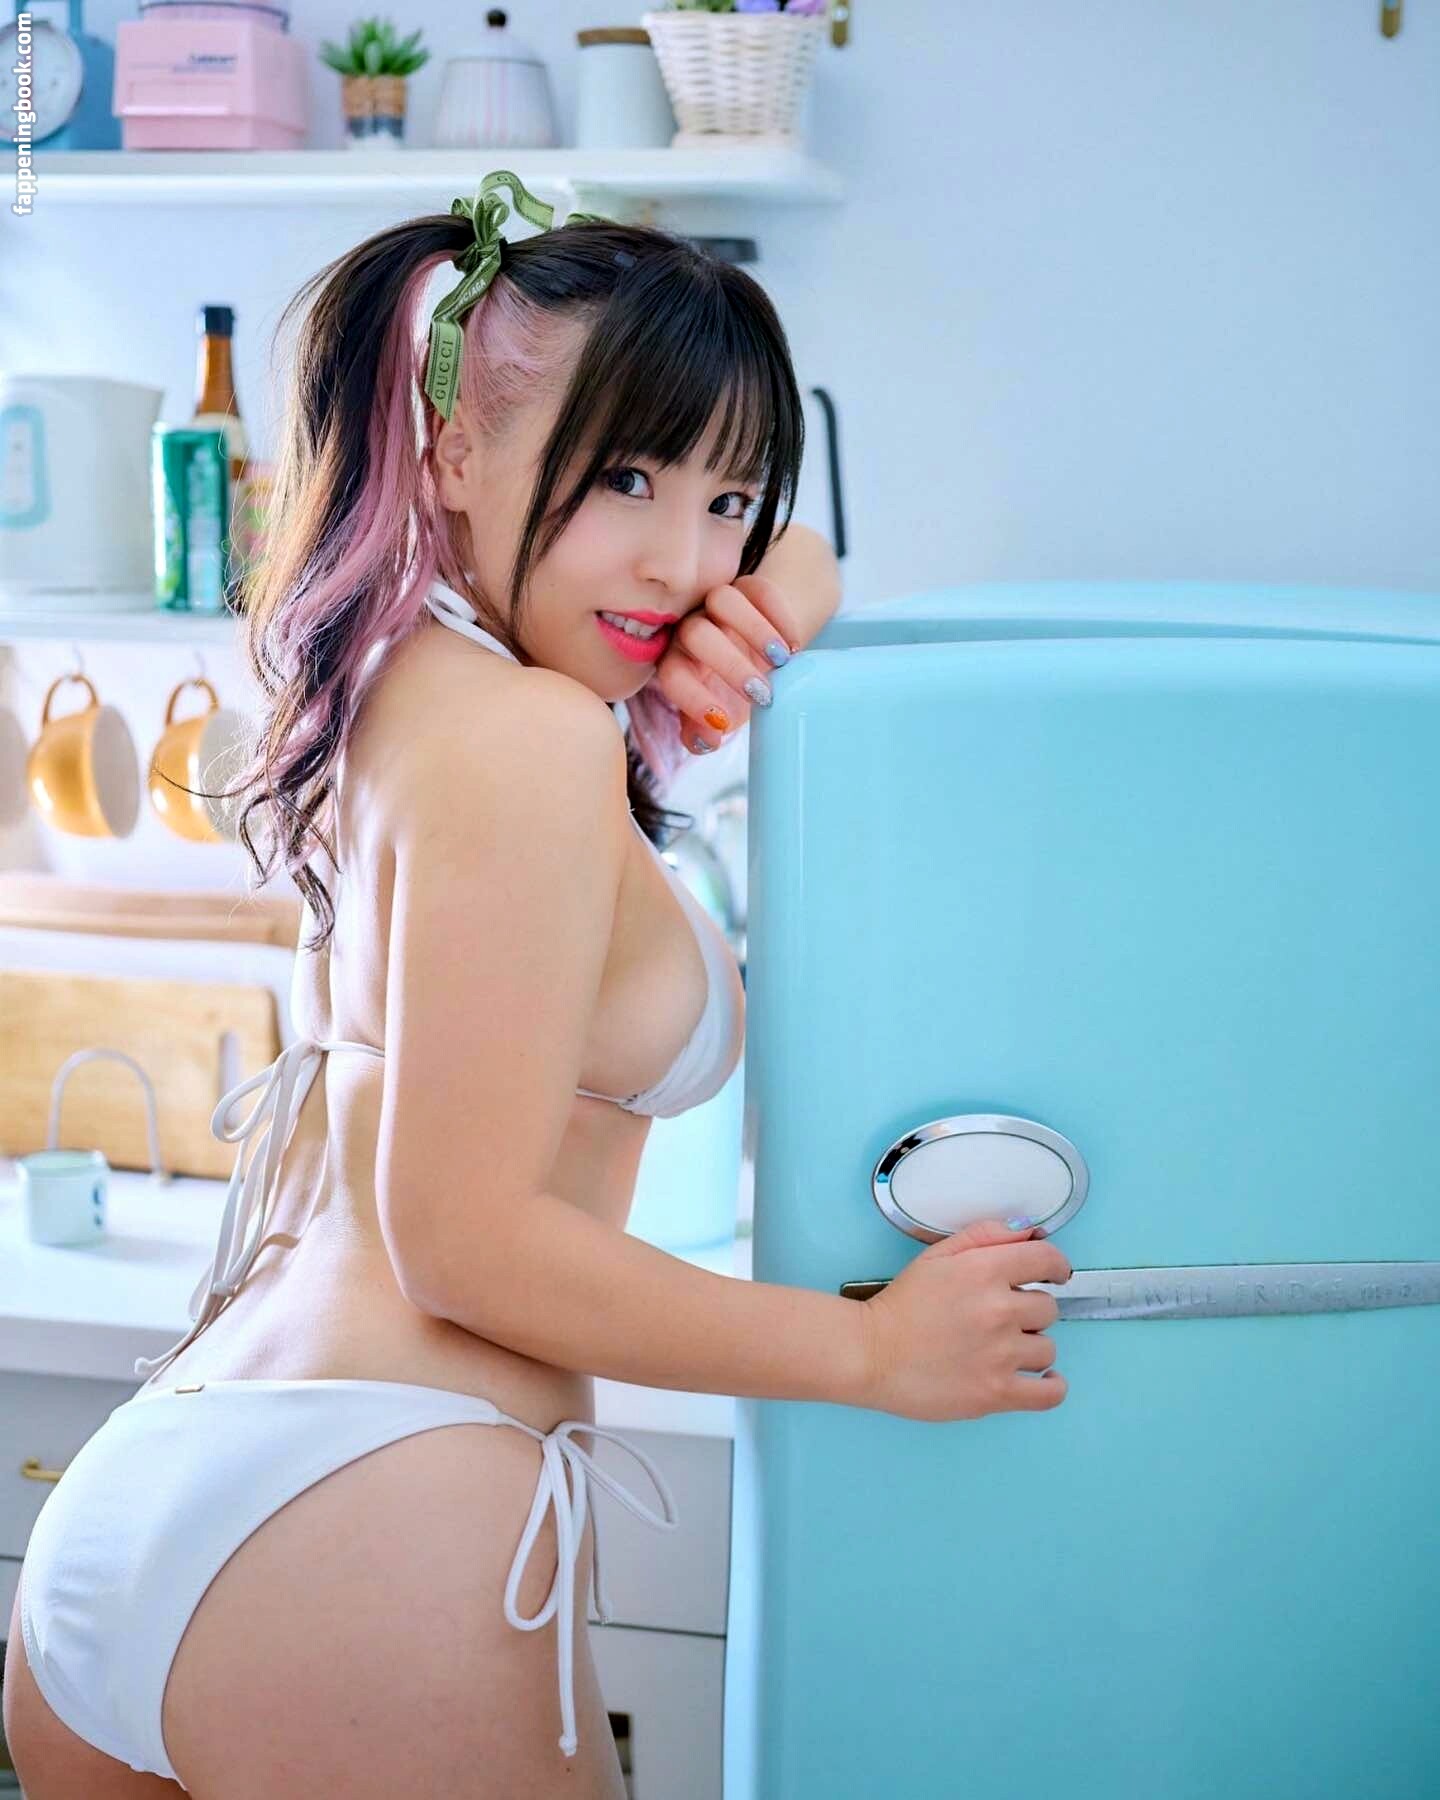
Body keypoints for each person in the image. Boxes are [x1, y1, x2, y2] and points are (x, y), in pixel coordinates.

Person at [5, 173, 1069, 1799]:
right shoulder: (533, 734)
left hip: (189, 1481)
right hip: (377, 1520)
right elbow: (466, 1241)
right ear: (451, 455)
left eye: (726, 497)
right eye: (626, 476)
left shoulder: (397, 681)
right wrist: (870, 1354)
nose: (681, 558)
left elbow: (788, 559)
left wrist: (774, 587)